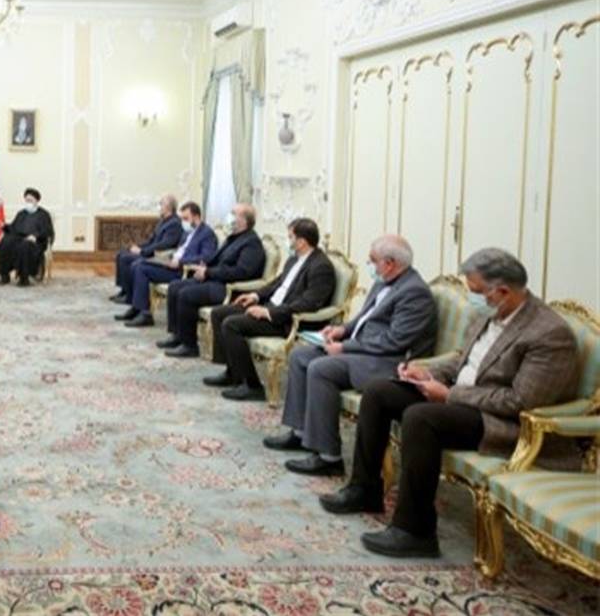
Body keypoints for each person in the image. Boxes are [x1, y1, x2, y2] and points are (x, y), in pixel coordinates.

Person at [320, 248, 580, 559]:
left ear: (503, 291)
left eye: (476, 292)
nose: (472, 299)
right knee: (379, 392)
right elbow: (462, 360)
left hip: (498, 420)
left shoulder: (548, 333)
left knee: (421, 418)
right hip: (461, 397)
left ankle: (415, 531)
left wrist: (450, 395)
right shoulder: (491, 312)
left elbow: (519, 401)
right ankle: (364, 489)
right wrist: (427, 372)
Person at [264, 234, 438, 476]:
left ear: (389, 263)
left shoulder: (415, 293)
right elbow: (365, 318)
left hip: (387, 362)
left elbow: (394, 341)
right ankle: (300, 432)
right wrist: (342, 330)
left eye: (372, 260)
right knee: (300, 356)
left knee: (322, 368)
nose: (369, 265)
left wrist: (345, 347)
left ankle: (328, 457)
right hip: (365, 351)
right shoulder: (384, 281)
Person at [205, 217, 336, 401]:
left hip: (286, 320)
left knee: (231, 324)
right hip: (271, 306)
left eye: (290, 237)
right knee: (219, 313)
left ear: (301, 242)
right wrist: (255, 296)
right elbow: (277, 283)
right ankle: (232, 372)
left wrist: (268, 313)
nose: (288, 241)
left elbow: (309, 303)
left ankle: (252, 386)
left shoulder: (321, 266)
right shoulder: (294, 259)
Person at [158, 203, 266, 357]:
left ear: (243, 220)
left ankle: (189, 345)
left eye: (233, 213)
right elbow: (218, 259)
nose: (229, 216)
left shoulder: (252, 243)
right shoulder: (233, 237)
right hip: (214, 279)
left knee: (186, 295)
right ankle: (177, 335)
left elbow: (241, 272)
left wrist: (208, 272)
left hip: (228, 288)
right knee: (175, 287)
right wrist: (204, 266)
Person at [116, 202, 218, 327]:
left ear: (196, 216)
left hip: (182, 271)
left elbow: (206, 257)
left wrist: (181, 262)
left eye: (186, 218)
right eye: (182, 219)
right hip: (171, 263)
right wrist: (168, 258)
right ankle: (136, 307)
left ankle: (145, 314)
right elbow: (180, 250)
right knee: (137, 264)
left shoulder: (207, 234)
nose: (183, 222)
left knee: (141, 269)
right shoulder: (188, 232)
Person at [111, 195, 182, 305]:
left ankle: (129, 296)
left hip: (158, 256)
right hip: (150, 251)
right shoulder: (162, 221)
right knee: (121, 254)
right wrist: (138, 247)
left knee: (126, 259)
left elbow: (164, 245)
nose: (159, 207)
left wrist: (142, 251)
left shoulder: (174, 223)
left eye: (161, 204)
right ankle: (124, 290)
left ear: (168, 207)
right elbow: (151, 240)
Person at [0, 188, 55, 286]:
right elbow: (13, 228)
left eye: (30, 200)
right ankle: (4, 275)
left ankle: (24, 277)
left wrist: (35, 237)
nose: (28, 203)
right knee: (5, 242)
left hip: (36, 242)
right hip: (19, 238)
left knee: (25, 246)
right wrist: (4, 226)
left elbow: (47, 231)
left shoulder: (44, 215)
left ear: (36, 200)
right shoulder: (21, 214)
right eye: (27, 200)